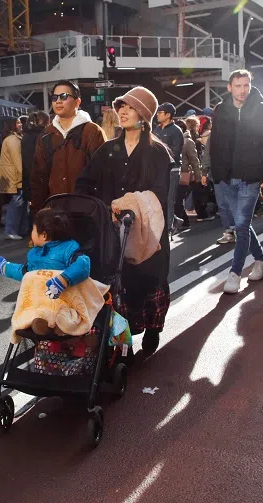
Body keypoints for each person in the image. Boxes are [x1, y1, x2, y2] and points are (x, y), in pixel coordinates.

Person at [76, 86, 171, 357]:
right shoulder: (107, 149)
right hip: (111, 231)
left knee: (149, 280)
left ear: (144, 115)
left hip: (147, 235)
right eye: (121, 107)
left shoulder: (157, 152)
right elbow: (84, 182)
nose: (123, 111)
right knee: (116, 283)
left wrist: (131, 207)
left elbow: (160, 195)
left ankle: (152, 330)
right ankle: (120, 339)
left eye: (130, 107)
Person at [209, 69, 263, 294]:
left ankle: (235, 273)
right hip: (225, 179)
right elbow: (216, 144)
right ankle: (261, 259)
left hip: (251, 178)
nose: (243, 90)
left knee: (240, 226)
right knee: (241, 225)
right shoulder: (220, 111)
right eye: (238, 86)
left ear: (250, 86)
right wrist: (215, 174)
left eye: (246, 85)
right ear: (229, 87)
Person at [0, 208, 91, 333]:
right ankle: (44, 323)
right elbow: (25, 273)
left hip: (64, 300)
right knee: (36, 311)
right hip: (41, 301)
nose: (31, 233)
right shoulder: (34, 254)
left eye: (33, 229)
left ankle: (61, 326)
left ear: (43, 235)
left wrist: (64, 279)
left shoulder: (69, 248)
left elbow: (83, 264)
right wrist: (5, 267)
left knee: (65, 313)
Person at [30, 81, 105, 217]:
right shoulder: (46, 135)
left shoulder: (92, 131)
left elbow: (103, 174)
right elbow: (38, 177)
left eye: (64, 96)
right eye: (54, 97)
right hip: (54, 213)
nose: (58, 101)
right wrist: (37, 213)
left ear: (77, 102)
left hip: (86, 212)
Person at [153, 104, 184, 231]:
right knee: (159, 199)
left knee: (169, 200)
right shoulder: (156, 129)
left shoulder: (176, 131)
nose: (158, 114)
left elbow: (175, 153)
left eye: (160, 112)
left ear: (168, 115)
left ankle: (168, 229)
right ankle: (176, 221)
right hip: (157, 170)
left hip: (172, 170)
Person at [0, 117, 26, 240]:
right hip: (15, 178)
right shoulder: (13, 140)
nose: (20, 125)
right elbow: (17, 161)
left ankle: (14, 229)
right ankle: (11, 230)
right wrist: (23, 176)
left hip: (11, 177)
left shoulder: (10, 139)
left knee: (16, 204)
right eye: (18, 122)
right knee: (16, 204)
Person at [174, 118, 202, 230]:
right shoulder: (176, 140)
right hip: (175, 173)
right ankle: (182, 221)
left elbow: (194, 160)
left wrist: (199, 177)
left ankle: (184, 222)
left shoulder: (188, 142)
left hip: (184, 174)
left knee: (178, 199)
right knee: (176, 199)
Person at [21, 111, 48, 222]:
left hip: (29, 179)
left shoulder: (26, 137)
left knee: (35, 210)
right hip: (40, 180)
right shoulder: (42, 137)